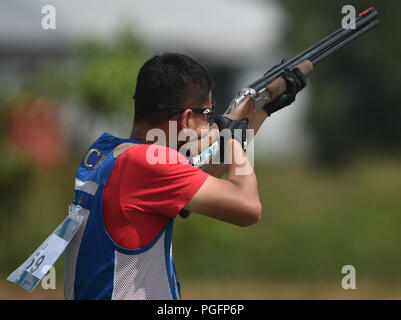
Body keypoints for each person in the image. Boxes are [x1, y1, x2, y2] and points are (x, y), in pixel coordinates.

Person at [64, 53, 305, 300]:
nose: (212, 121)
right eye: (208, 114)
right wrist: (231, 140)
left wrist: (261, 110)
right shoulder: (147, 163)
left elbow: (196, 179)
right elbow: (248, 207)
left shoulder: (106, 151)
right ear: (187, 119)